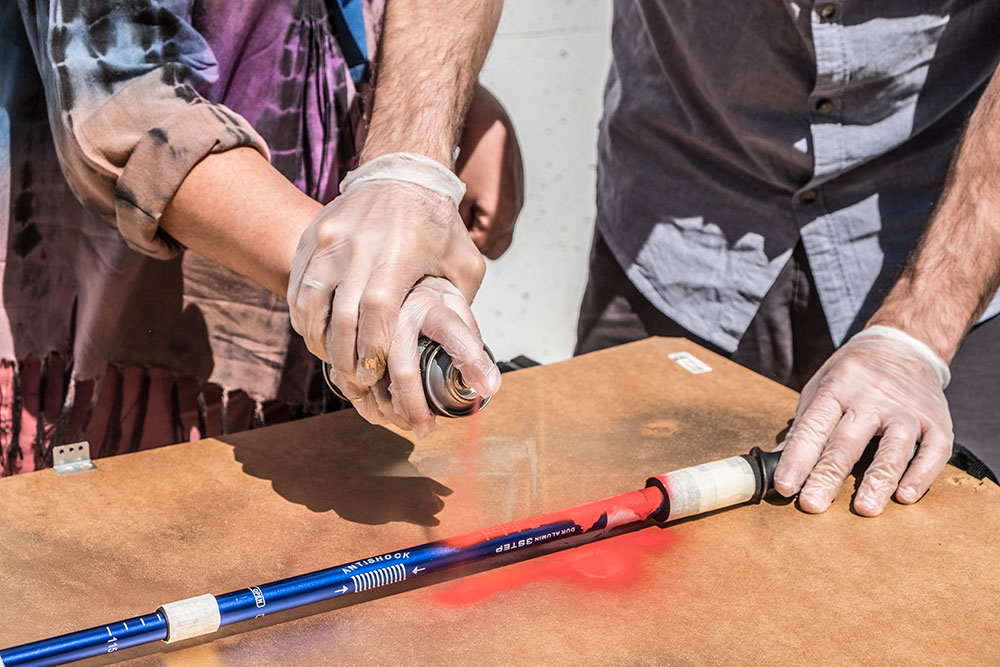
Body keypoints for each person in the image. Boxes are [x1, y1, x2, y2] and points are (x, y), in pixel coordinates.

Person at [0, 0, 521, 476]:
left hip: (316, 357)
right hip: (135, 334)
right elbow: (121, 101)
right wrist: (361, 275)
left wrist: (427, 129)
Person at [575, 1, 1000, 516]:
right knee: (602, 521)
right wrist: (448, 146)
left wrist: (915, 337)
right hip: (679, 207)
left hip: (945, 229)